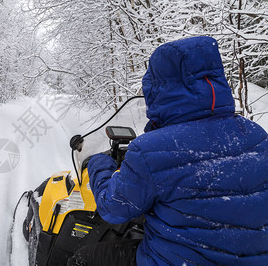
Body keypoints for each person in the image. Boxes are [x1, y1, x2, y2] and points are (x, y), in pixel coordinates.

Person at [70, 36, 268, 265]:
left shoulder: (150, 150)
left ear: (157, 87)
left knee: (84, 258)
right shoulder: (256, 135)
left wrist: (98, 164)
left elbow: (113, 208)